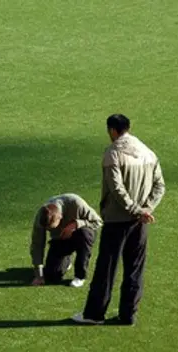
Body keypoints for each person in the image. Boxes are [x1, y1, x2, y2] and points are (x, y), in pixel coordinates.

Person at [73, 114, 165, 325]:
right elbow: (160, 186)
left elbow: (116, 189)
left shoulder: (112, 153)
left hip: (118, 219)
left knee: (106, 267)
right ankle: (128, 315)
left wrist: (134, 209)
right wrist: (145, 209)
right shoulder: (148, 152)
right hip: (141, 222)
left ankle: (94, 313)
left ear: (113, 130)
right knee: (135, 268)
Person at [30, 194, 103, 288]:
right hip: (60, 239)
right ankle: (67, 261)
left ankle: (80, 276)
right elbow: (37, 244)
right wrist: (38, 274)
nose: (48, 230)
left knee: (85, 233)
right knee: (52, 276)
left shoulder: (76, 203)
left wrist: (77, 224)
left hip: (80, 235)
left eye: (51, 228)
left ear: (60, 216)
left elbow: (98, 222)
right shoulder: (40, 217)